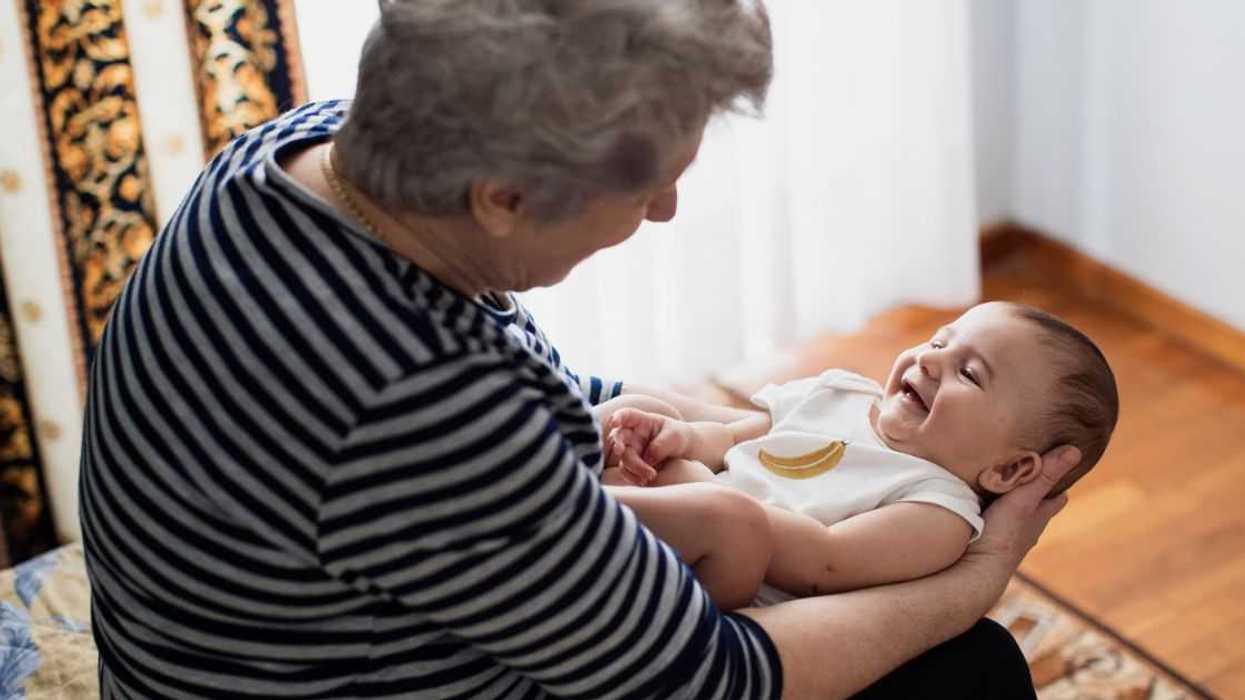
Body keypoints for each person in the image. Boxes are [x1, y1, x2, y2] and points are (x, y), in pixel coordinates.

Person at [77, 1, 1078, 698]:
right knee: (971, 668)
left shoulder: (304, 154)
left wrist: (701, 427)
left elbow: (523, 387)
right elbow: (716, 679)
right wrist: (978, 574)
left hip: (211, 653)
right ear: (503, 198)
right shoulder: (420, 404)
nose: (667, 208)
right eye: (646, 187)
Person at [596, 302, 1119, 609]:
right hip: (699, 505)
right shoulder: (840, 393)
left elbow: (825, 560)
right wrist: (682, 440)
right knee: (642, 411)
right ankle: (584, 508)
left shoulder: (937, 508)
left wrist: (703, 490)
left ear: (1009, 469)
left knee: (728, 520)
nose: (929, 361)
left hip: (734, 578)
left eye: (969, 373)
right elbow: (737, 438)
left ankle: (594, 521)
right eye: (939, 342)